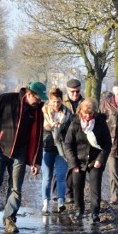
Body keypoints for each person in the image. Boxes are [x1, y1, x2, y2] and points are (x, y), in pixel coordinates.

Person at [0, 82, 46, 233]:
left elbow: (39, 137)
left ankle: (9, 219)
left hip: (20, 152)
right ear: (29, 93)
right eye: (38, 99)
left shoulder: (37, 111)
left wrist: (36, 161)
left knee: (15, 188)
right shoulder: (6, 100)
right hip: (0, 149)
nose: (40, 102)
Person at [63, 98, 112, 223]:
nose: (87, 116)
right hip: (78, 160)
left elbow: (107, 144)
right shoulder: (75, 124)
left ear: (94, 112)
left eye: (90, 114)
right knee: (78, 187)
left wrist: (100, 159)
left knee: (95, 188)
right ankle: (79, 210)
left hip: (95, 160)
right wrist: (73, 163)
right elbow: (68, 144)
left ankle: (95, 212)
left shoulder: (100, 123)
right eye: (85, 114)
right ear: (80, 112)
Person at [41, 86, 72, 214]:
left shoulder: (68, 113)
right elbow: (44, 126)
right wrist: (51, 126)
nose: (56, 104)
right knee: (47, 177)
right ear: (49, 100)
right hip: (47, 147)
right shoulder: (43, 111)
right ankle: (45, 203)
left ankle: (60, 202)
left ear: (62, 100)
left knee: (60, 176)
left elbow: (71, 131)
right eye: (54, 101)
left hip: (62, 148)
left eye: (58, 101)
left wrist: (61, 129)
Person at [60, 78, 84, 206]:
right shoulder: (60, 102)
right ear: (67, 90)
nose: (75, 94)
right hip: (62, 139)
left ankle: (70, 193)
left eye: (78, 91)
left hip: (79, 141)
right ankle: (58, 194)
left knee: (73, 166)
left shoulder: (84, 103)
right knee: (60, 167)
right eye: (72, 91)